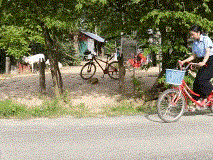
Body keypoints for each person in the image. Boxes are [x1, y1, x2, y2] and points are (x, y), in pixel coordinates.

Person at [180, 24, 213, 110]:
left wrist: (203, 62)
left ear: (198, 33)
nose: (192, 36)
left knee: (202, 79)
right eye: (191, 34)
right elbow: (193, 56)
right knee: (196, 82)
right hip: (203, 61)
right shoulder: (195, 43)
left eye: (193, 34)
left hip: (210, 60)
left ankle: (209, 93)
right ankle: (197, 102)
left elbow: (207, 52)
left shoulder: (206, 39)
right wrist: (184, 61)